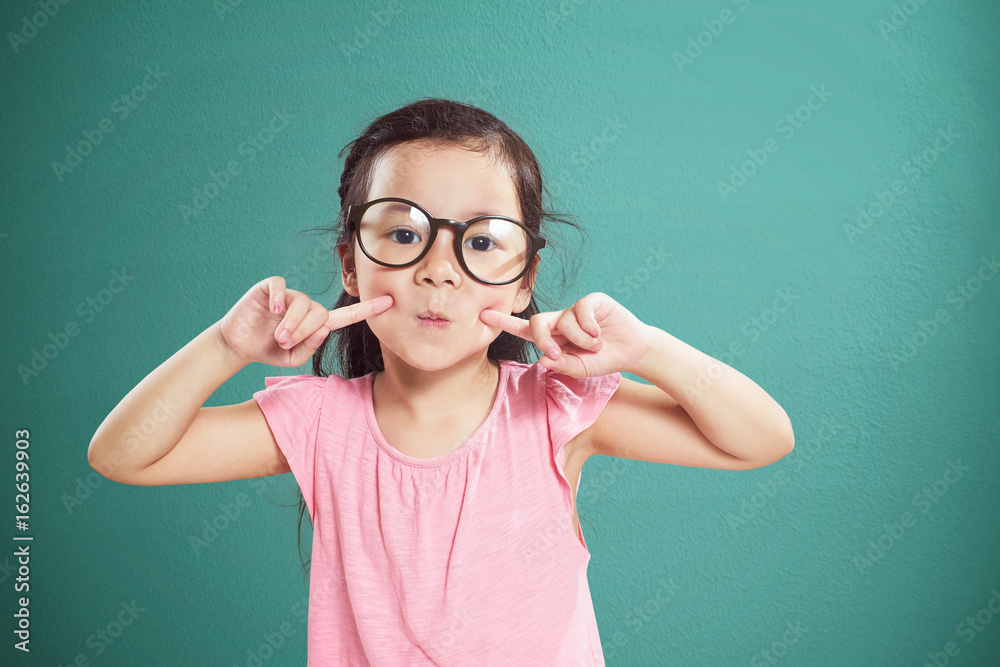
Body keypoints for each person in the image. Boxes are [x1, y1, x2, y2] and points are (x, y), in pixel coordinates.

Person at [88, 98, 795, 665]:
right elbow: (122, 453)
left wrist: (647, 348)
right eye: (402, 234)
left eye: (482, 241)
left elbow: (761, 439)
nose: (439, 269)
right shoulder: (318, 423)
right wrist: (225, 345)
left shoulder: (557, 410)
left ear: (526, 279)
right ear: (348, 263)